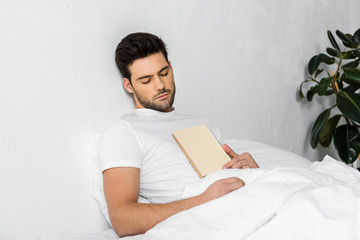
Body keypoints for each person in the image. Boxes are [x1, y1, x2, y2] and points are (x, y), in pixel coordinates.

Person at [97, 32, 259, 237]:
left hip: (250, 200)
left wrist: (253, 172)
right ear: (129, 85)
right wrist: (204, 200)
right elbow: (122, 219)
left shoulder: (201, 122)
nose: (160, 85)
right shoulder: (124, 131)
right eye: (146, 80)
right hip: (215, 217)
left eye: (164, 73)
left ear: (171, 67)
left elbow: (227, 177)